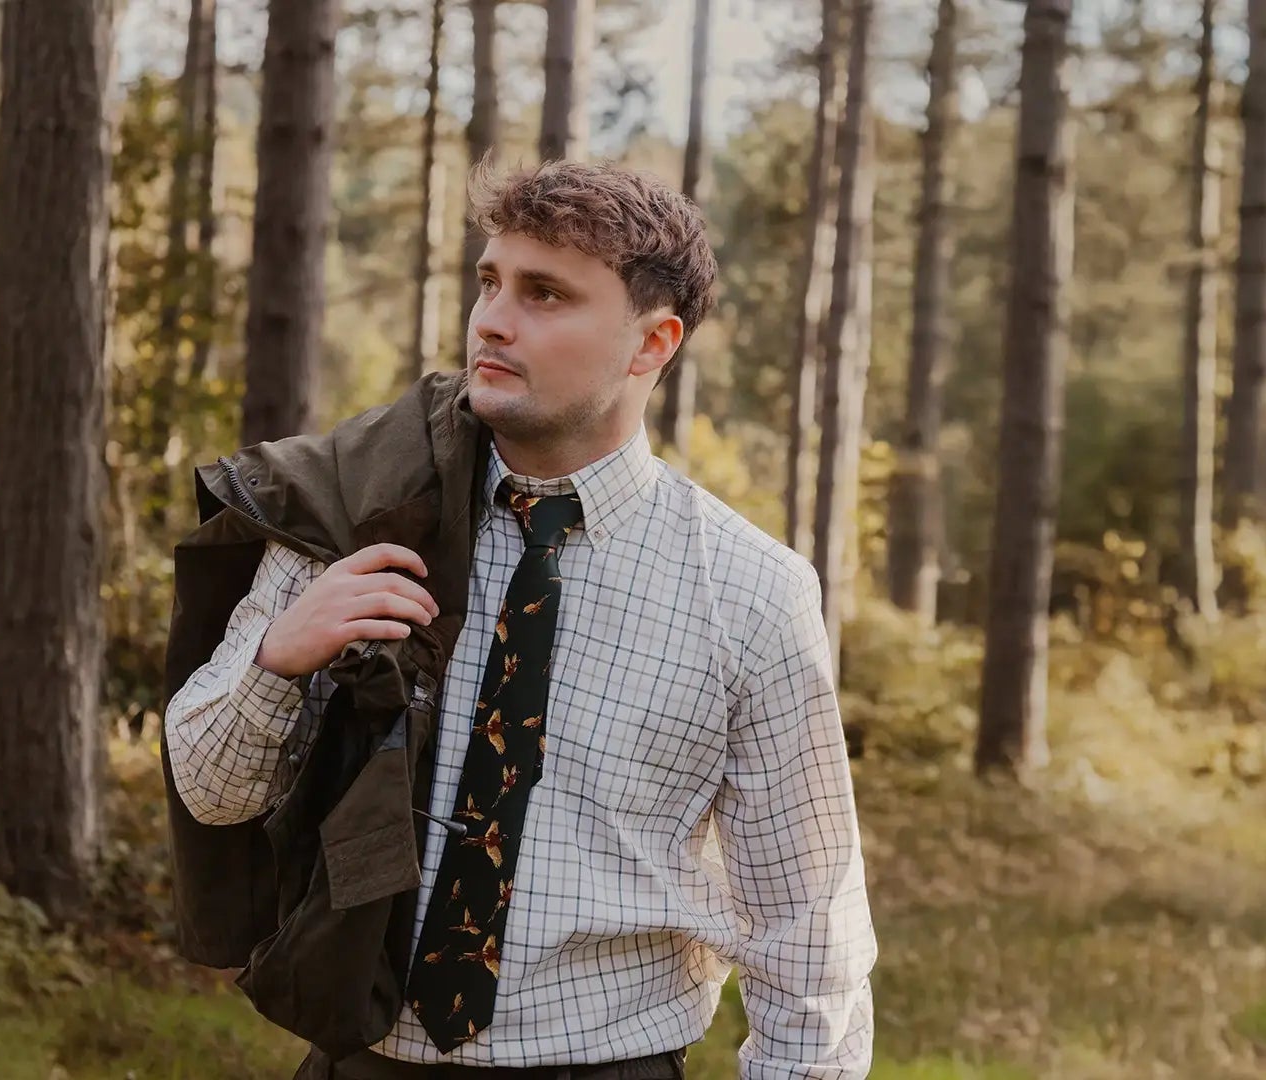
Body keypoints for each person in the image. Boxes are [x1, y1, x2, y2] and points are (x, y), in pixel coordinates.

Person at [164, 160, 876, 1080]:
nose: (493, 320)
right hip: (364, 1059)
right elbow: (211, 791)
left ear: (651, 344)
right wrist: (278, 657)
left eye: (546, 294)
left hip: (610, 1063)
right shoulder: (359, 510)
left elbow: (808, 926)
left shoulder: (751, 594)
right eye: (491, 282)